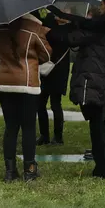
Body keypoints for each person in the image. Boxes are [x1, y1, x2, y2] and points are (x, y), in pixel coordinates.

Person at [46, 0, 105, 179]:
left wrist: (51, 29)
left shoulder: (100, 27)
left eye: (102, 5)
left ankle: (104, 169)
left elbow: (72, 39)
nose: (100, 7)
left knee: (97, 126)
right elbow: (88, 26)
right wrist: (72, 19)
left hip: (96, 81)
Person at [0, 13, 52, 182]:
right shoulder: (33, 29)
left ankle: (10, 171)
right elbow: (47, 55)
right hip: (26, 82)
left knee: (10, 127)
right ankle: (29, 170)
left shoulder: (0, 29)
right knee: (28, 127)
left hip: (3, 81)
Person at [37, 15, 71, 146]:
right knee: (43, 104)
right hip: (49, 69)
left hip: (56, 70)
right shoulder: (52, 24)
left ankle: (56, 136)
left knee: (54, 104)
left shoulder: (67, 29)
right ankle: (47, 135)